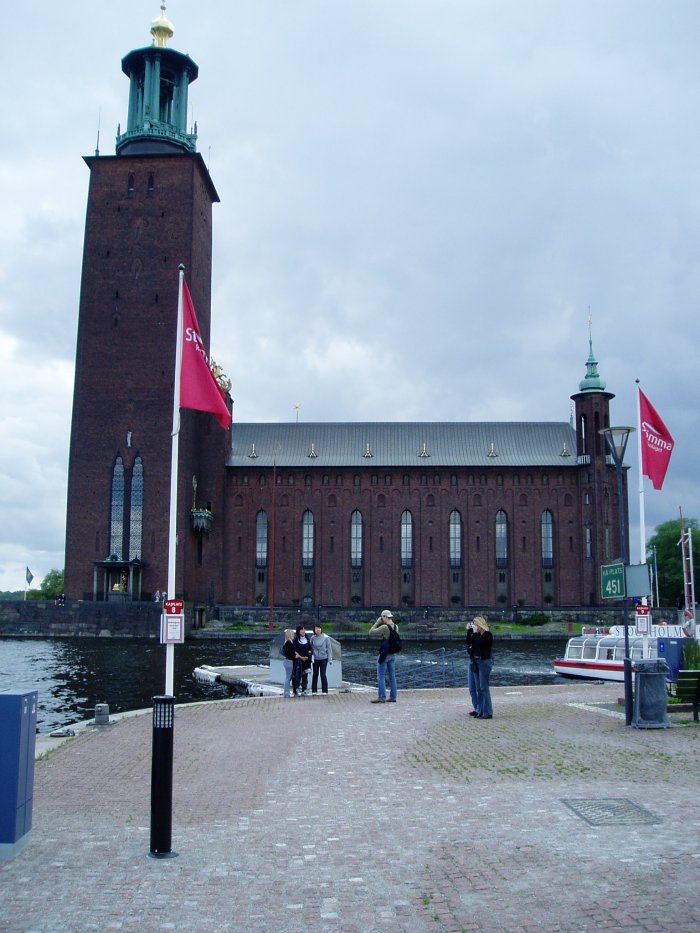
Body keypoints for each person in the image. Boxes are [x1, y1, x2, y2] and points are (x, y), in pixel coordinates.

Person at [368, 610, 398, 703]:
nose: (382, 619)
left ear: (385, 617)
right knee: (392, 676)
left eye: (382, 617)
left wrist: (377, 622)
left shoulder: (385, 627)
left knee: (380, 676)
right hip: (393, 654)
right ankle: (393, 697)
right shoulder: (396, 626)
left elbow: (371, 632)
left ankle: (382, 697)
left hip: (384, 655)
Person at [472, 616, 493, 719]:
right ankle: (480, 711)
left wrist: (476, 634)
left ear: (480, 625)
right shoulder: (477, 635)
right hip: (476, 662)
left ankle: (488, 712)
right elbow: (472, 644)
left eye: (476, 625)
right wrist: (470, 633)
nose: (475, 627)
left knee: (484, 687)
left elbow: (480, 644)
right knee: (479, 688)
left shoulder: (488, 635)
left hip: (484, 662)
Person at [310, 624, 333, 695]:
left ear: (321, 629)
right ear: (314, 630)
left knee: (323, 674)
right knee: (315, 674)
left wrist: (330, 659)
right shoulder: (313, 638)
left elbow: (329, 649)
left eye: (319, 628)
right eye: (316, 629)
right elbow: (310, 647)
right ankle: (314, 690)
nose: (318, 630)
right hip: (315, 658)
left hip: (324, 658)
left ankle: (325, 690)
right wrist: (311, 656)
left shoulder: (326, 638)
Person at [292, 624, 313, 696]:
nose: (303, 631)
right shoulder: (295, 640)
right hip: (298, 661)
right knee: (297, 675)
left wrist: (307, 656)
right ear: (298, 631)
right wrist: (301, 657)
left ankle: (304, 690)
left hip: (306, 661)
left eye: (304, 629)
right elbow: (294, 650)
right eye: (302, 629)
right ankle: (295, 690)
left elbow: (310, 650)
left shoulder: (307, 639)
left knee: (305, 676)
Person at [465, 620, 480, 716]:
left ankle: (480, 708)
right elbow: (468, 643)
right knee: (471, 688)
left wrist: (475, 633)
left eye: (475, 625)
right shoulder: (473, 635)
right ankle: (476, 707)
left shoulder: (483, 636)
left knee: (479, 687)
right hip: (472, 662)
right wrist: (469, 631)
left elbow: (477, 646)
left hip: (479, 662)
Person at [281, 629, 296, 697]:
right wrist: (296, 656)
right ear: (289, 635)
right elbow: (290, 653)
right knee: (288, 678)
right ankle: (286, 693)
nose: (294, 635)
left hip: (288, 661)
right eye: (292, 634)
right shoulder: (288, 643)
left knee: (288, 677)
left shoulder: (287, 642)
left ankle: (287, 692)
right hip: (289, 661)